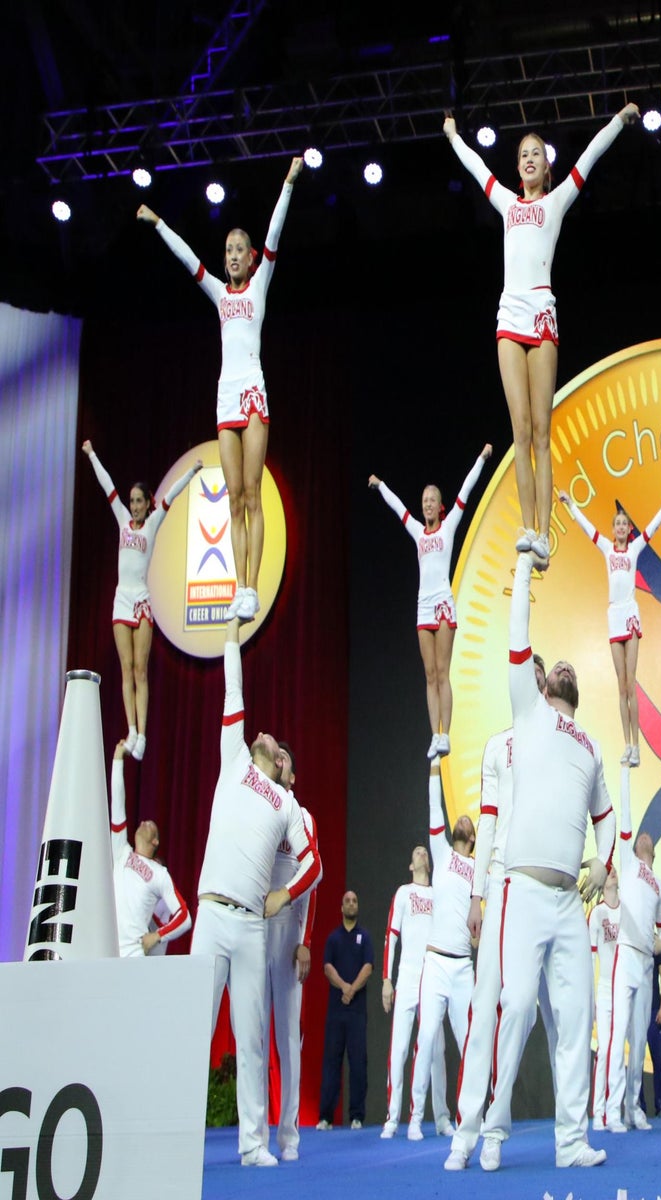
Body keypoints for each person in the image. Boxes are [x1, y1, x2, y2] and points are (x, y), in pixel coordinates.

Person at [447, 550, 615, 1172]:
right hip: (515, 888)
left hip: (568, 900)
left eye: (571, 666)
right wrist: (523, 566)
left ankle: (571, 1141)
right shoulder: (528, 719)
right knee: (512, 1006)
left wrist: (606, 861)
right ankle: (485, 1131)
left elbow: (608, 820)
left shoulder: (591, 747)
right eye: (555, 666)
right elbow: (518, 640)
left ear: (575, 688)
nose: (563, 666)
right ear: (542, 686)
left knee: (575, 1017)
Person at [444, 106, 639, 568]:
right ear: (517, 167)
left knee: (541, 430)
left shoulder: (555, 202)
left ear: (546, 167)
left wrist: (618, 120)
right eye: (523, 155)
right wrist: (453, 135)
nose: (529, 159)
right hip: (510, 316)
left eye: (536, 154)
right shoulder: (508, 204)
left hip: (543, 316)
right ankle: (528, 527)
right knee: (519, 431)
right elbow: (475, 166)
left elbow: (589, 157)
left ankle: (544, 532)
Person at [136, 156, 304, 622]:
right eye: (227, 249)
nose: (232, 255)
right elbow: (188, 257)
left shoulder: (257, 287)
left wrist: (288, 183)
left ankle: (252, 584)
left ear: (251, 259)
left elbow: (275, 233)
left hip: (252, 389)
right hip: (225, 396)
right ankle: (240, 587)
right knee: (232, 497)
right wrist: (158, 223)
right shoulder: (218, 293)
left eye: (239, 250)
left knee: (253, 490)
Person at [190, 614, 322, 1167]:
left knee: (251, 1038)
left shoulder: (290, 805)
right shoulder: (235, 760)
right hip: (211, 915)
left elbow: (313, 864)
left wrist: (283, 898)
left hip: (251, 924)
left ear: (284, 766)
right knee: (192, 1030)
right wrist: (231, 633)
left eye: (277, 744)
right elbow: (234, 687)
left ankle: (253, 1144)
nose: (268, 735)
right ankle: (173, 1134)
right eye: (266, 736)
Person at [448, 667, 563, 1167]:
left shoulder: (559, 744)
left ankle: (497, 1125)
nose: (533, 686)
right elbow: (488, 823)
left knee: (524, 1007)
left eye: (540, 680)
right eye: (526, 677)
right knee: (483, 1007)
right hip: (499, 884)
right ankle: (466, 1131)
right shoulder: (497, 747)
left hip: (540, 890)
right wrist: (477, 895)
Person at [369, 444, 493, 760]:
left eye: (432, 501)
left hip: (443, 602)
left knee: (443, 669)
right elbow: (398, 507)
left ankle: (446, 733)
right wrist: (380, 484)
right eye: (424, 500)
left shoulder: (449, 525)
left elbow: (467, 488)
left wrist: (480, 457)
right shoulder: (417, 532)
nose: (427, 504)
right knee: (429, 674)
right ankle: (434, 734)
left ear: (440, 507)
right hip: (423, 605)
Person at [82, 440, 202, 759]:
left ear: (147, 503)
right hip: (122, 600)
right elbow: (106, 484)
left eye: (139, 501)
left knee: (140, 669)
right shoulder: (122, 519)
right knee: (125, 667)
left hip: (142, 601)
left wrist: (190, 472)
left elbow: (171, 496)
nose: (134, 506)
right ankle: (132, 730)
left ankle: (143, 734)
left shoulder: (151, 524)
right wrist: (93, 453)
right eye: (132, 501)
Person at [559, 487, 661, 765]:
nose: (621, 528)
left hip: (630, 615)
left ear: (629, 530)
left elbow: (653, 527)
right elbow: (586, 527)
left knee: (631, 682)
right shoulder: (605, 547)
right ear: (613, 529)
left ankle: (636, 746)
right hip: (614, 616)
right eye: (617, 524)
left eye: (625, 525)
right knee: (621, 686)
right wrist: (570, 505)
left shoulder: (635, 548)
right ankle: (627, 743)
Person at [406, 763, 475, 1140]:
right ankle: (416, 1118)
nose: (461, 820)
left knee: (469, 1044)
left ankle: (469, 1117)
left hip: (464, 967)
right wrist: (434, 767)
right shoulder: (443, 852)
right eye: (459, 818)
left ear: (474, 836)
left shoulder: (478, 869)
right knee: (427, 1035)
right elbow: (436, 808)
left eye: (468, 820)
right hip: (434, 963)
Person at [601, 765, 661, 1133]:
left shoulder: (659, 883)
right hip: (625, 954)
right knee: (618, 1031)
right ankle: (611, 1111)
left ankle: (633, 1107)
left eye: (647, 836)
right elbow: (625, 815)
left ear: (652, 850)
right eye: (638, 834)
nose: (642, 834)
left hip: (645, 963)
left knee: (639, 1040)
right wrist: (624, 772)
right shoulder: (627, 863)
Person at [264, 741, 321, 1161]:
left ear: (293, 775)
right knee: (252, 1031)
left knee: (288, 1034)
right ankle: (253, 1132)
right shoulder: (258, 807)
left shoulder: (303, 818)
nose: (278, 759)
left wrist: (306, 942)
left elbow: (312, 883)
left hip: (288, 930)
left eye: (285, 757)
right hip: (254, 924)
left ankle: (289, 1134)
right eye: (275, 755)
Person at [380, 845, 451, 1140]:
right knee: (399, 1048)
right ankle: (393, 1117)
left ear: (430, 865)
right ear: (411, 866)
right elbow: (391, 937)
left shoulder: (439, 896)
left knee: (436, 1049)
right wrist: (387, 979)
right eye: (417, 852)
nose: (422, 853)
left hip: (432, 978)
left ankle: (442, 1117)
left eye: (425, 852)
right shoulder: (403, 893)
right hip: (407, 978)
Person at [109, 740, 191, 956]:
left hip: (134, 955)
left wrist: (158, 935)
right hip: (106, 949)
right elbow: (117, 804)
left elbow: (184, 916)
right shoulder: (121, 851)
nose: (144, 822)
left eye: (150, 825)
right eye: (143, 822)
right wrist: (117, 759)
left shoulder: (159, 874)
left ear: (156, 842)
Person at [317, 891, 374, 1130]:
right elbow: (327, 967)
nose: (351, 904)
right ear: (341, 908)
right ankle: (326, 1117)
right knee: (332, 1062)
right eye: (347, 901)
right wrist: (344, 987)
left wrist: (352, 991)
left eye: (355, 900)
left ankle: (357, 1116)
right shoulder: (333, 938)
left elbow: (368, 967)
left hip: (357, 1012)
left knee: (358, 1062)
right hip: (336, 1012)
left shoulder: (365, 937)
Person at [588, 871, 621, 1129]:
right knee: (605, 1048)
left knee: (620, 1050)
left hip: (623, 988)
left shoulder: (627, 910)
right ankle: (598, 1110)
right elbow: (591, 956)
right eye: (607, 870)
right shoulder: (597, 914)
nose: (612, 872)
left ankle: (617, 1109)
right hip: (605, 987)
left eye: (614, 869)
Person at [643, 948, 661, 1120]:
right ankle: (639, 1107)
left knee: (658, 1060)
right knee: (636, 1062)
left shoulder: (656, 945)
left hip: (653, 1009)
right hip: (637, 1010)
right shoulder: (633, 941)